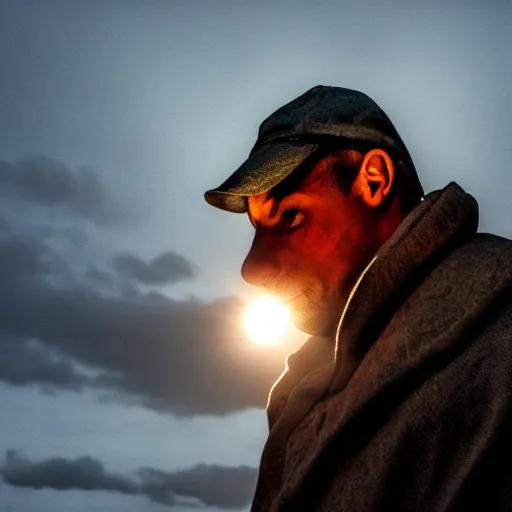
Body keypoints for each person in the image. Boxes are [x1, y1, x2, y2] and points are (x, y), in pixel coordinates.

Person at [204, 85, 512, 511]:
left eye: (290, 216)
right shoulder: (304, 383)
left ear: (374, 180)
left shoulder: (500, 313)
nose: (252, 268)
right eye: (258, 229)